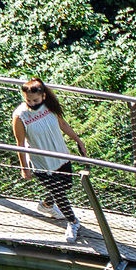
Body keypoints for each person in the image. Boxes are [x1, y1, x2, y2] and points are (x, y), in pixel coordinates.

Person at [11, 78, 86, 244]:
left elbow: (62, 124)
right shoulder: (20, 116)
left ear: (43, 96)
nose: (31, 103)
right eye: (28, 100)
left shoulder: (49, 107)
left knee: (66, 186)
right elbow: (20, 144)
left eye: (35, 100)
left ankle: (46, 204)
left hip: (60, 155)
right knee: (59, 192)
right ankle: (73, 222)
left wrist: (78, 140)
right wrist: (24, 168)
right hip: (42, 163)